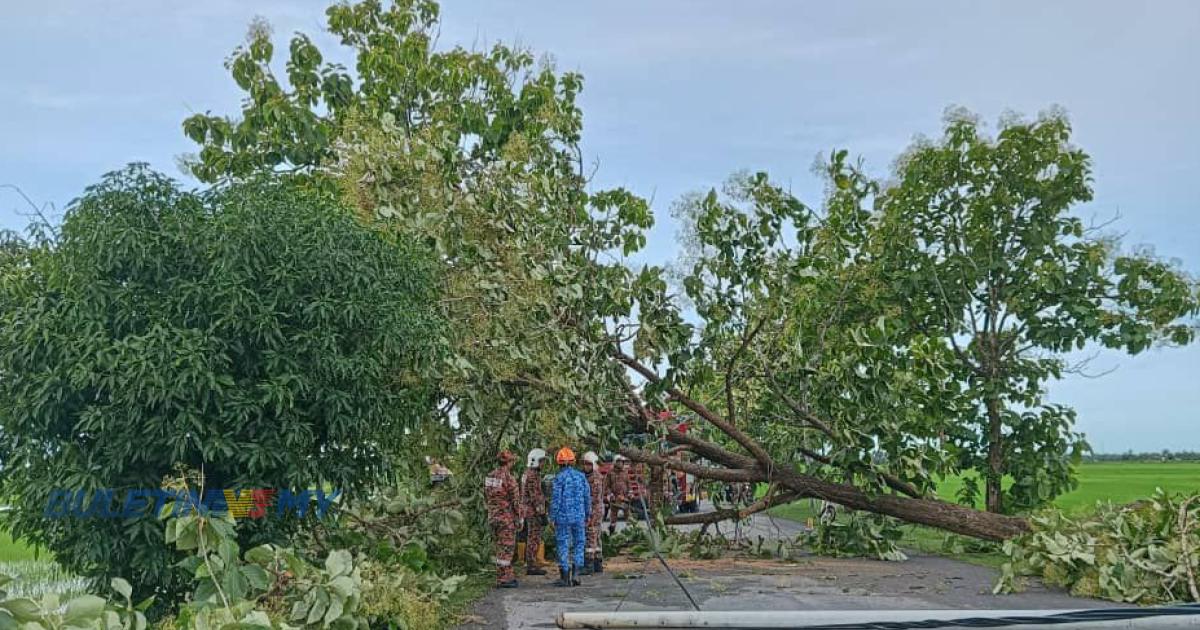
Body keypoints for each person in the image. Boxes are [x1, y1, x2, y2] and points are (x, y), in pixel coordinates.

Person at [550, 447, 590, 587]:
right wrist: (587, 514)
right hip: (579, 516)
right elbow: (587, 497)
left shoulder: (558, 479)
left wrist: (552, 517)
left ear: (559, 463)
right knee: (579, 543)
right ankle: (576, 575)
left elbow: (555, 500)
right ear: (573, 461)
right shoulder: (581, 476)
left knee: (563, 544)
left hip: (563, 517)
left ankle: (565, 577)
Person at [484, 450, 520, 588]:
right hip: (506, 518)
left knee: (500, 547)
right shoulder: (509, 478)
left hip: (493, 517)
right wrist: (519, 518)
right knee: (507, 548)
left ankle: (506, 576)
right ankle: (503, 579)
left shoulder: (489, 477)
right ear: (509, 462)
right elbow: (515, 502)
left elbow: (486, 496)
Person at [520, 448, 548, 576]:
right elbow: (535, 496)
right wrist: (542, 513)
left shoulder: (527, 473)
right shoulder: (532, 475)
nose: (543, 464)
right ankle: (531, 564)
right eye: (542, 461)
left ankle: (531, 562)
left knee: (531, 536)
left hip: (528, 510)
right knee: (534, 537)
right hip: (533, 512)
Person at [580, 451, 605, 575]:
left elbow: (593, 498)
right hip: (595, 509)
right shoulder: (588, 477)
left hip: (593, 510)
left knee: (591, 535)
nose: (586, 467)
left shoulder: (595, 479)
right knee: (596, 536)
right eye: (584, 464)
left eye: (588, 464)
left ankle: (589, 563)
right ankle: (597, 562)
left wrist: (587, 512)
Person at [606, 456, 630, 533]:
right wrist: (610, 494)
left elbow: (628, 484)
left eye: (622, 462)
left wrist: (630, 493)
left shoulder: (625, 473)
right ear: (615, 462)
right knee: (613, 517)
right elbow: (607, 486)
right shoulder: (610, 473)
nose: (621, 463)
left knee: (628, 516)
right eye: (619, 461)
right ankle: (612, 531)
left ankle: (630, 532)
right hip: (615, 499)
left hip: (624, 498)